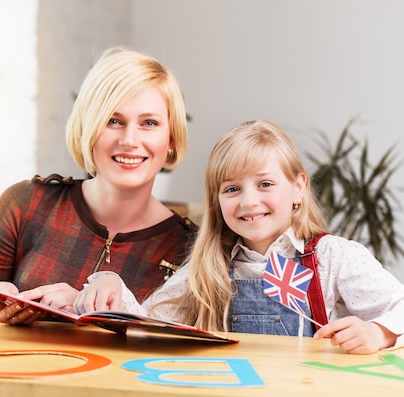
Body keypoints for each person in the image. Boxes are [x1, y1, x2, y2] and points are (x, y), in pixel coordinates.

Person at [0, 46, 196, 397]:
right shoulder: (26, 204)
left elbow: (185, 373)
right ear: (88, 126)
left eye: (149, 123)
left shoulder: (191, 248)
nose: (130, 139)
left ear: (171, 138)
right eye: (113, 120)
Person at [76, 120, 404, 354]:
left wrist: (377, 333)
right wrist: (113, 286)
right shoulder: (209, 266)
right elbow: (150, 323)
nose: (248, 201)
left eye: (265, 184)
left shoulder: (335, 257)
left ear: (298, 187)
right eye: (232, 188)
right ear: (217, 201)